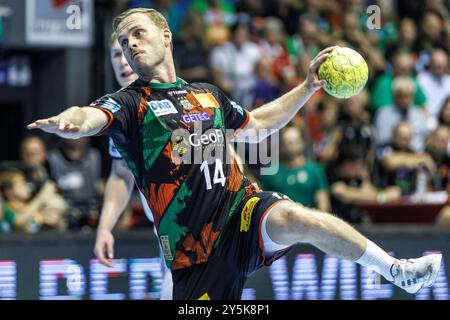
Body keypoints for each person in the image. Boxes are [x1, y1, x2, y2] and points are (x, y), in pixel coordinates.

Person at [28, 8, 442, 299]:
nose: (130, 44)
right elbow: (90, 115)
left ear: (165, 36)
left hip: (239, 213)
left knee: (298, 216)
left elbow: (259, 124)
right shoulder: (129, 103)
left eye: (138, 33)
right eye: (123, 40)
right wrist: (72, 120)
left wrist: (309, 87)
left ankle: (395, 270)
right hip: (195, 252)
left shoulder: (207, 95)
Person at [101, 31, 173, 299]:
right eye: (116, 54)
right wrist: (105, 227)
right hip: (169, 243)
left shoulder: (184, 97)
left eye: (127, 51)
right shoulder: (120, 111)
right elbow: (121, 174)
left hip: (207, 237)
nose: (122, 60)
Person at [258, 125, 330, 213]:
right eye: (288, 142)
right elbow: (262, 202)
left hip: (307, 220)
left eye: (295, 141)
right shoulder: (270, 170)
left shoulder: (315, 170)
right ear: (282, 145)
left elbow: (324, 206)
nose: (291, 145)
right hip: (278, 221)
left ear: (303, 142)